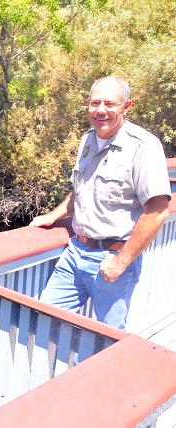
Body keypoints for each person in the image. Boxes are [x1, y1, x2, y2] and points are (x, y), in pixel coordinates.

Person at [30, 76, 171, 330]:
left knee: (108, 337)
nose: (101, 110)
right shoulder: (88, 139)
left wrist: (121, 261)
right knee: (43, 319)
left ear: (126, 106)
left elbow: (157, 211)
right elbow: (82, 189)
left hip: (112, 257)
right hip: (75, 253)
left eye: (110, 104)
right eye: (95, 103)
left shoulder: (143, 147)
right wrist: (54, 215)